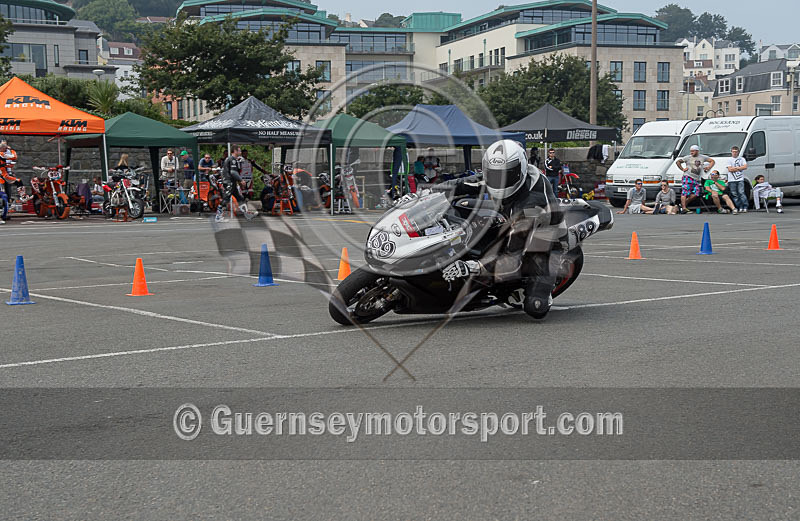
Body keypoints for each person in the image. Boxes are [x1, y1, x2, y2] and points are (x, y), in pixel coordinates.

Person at [433, 139, 566, 318]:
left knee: (535, 308)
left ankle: (542, 289)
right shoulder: (498, 175)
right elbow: (461, 184)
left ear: (520, 170)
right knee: (462, 204)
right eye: (494, 174)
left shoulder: (532, 204)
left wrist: (473, 266)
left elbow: (513, 256)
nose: (499, 181)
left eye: (506, 175)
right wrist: (425, 193)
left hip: (544, 239)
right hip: (510, 214)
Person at [216, 145, 257, 223]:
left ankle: (247, 214)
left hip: (232, 182)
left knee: (239, 198)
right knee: (226, 198)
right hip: (229, 182)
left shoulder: (233, 159)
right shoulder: (232, 159)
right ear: (235, 151)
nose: (240, 152)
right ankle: (218, 216)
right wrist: (241, 180)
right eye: (239, 150)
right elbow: (233, 172)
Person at [675, 144, 714, 214]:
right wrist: (682, 169)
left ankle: (683, 205)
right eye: (691, 151)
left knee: (696, 193)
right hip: (687, 176)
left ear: (697, 151)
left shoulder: (702, 157)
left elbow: (712, 161)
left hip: (696, 178)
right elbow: (678, 162)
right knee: (685, 192)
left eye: (693, 151)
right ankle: (684, 208)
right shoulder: (687, 157)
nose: (691, 152)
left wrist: (708, 167)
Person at [726, 146, 748, 213]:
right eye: (733, 152)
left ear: (738, 152)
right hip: (731, 180)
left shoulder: (742, 159)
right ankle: (739, 206)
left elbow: (745, 167)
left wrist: (735, 168)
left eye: (736, 152)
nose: (734, 153)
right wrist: (739, 168)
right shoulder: (729, 160)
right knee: (734, 194)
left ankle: (745, 206)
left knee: (741, 193)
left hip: (740, 179)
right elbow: (730, 169)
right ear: (731, 152)